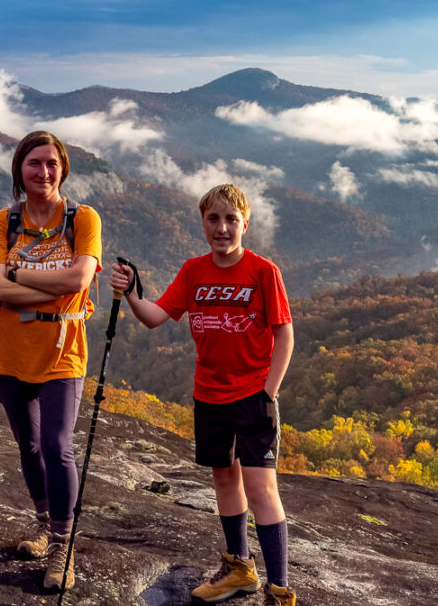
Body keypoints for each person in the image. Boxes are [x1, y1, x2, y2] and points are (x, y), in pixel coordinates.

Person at [109, 183, 297, 606]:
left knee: (262, 489)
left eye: (231, 219)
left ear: (245, 223)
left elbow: (284, 334)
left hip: (253, 396)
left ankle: (281, 590)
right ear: (202, 223)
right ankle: (239, 569)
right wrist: (133, 293)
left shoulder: (263, 272)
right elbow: (157, 316)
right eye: (214, 219)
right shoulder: (194, 271)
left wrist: (269, 392)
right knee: (224, 479)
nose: (222, 227)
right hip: (209, 396)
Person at [0, 130, 101, 592]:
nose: (44, 171)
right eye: (34, 163)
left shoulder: (83, 218)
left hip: (63, 352)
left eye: (52, 163)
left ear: (63, 168)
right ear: (20, 170)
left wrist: (16, 273)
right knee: (29, 448)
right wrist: (50, 285)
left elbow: (80, 278)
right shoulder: (3, 221)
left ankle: (62, 547)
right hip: (9, 351)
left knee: (57, 446)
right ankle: (44, 523)